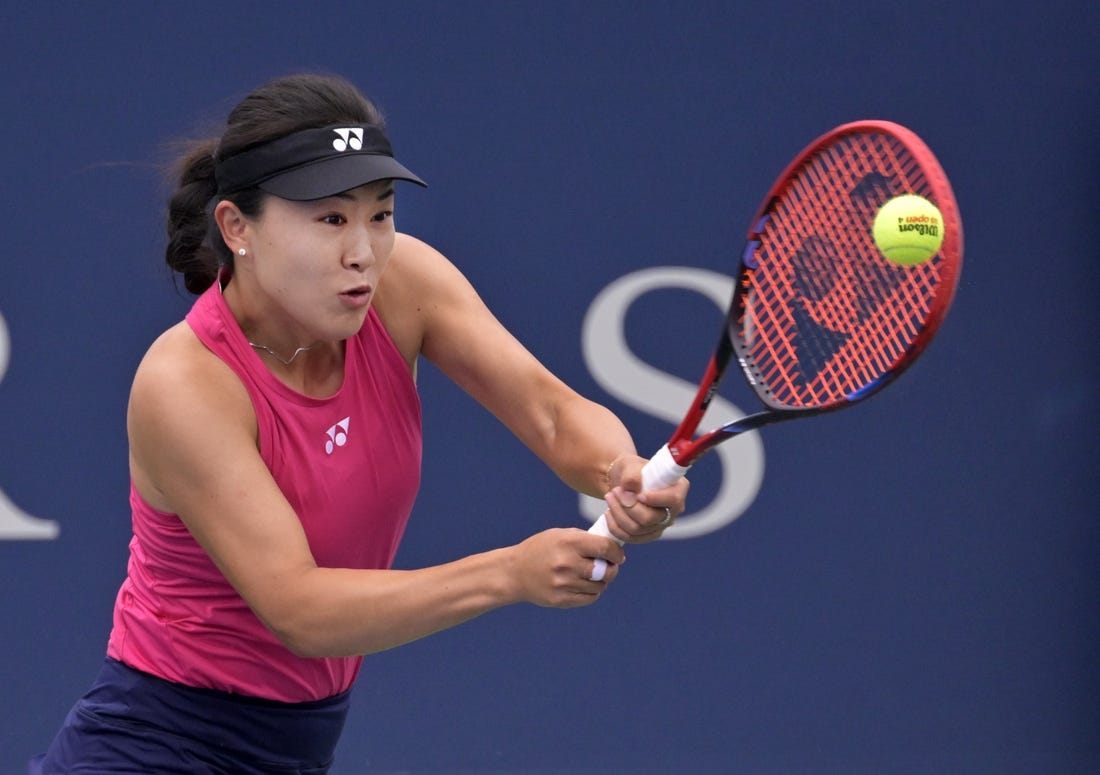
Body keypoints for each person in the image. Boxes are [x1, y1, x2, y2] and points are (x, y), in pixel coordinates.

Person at [31, 73, 689, 774]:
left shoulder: (404, 285)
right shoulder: (186, 383)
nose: (364, 251)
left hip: (297, 745)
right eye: (331, 219)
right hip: (157, 745)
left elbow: (553, 413)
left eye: (381, 213)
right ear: (236, 227)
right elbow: (300, 608)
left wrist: (618, 472)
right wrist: (509, 573)